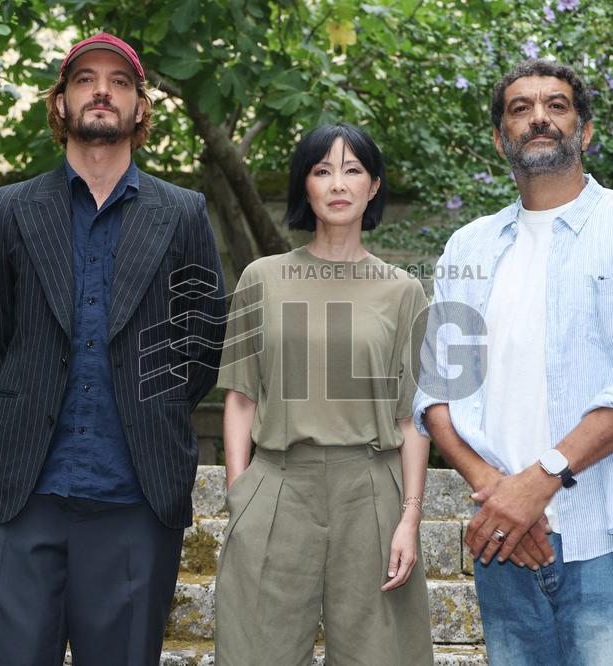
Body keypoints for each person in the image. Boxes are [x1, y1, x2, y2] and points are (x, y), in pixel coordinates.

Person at [414, 59, 613, 665]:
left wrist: (537, 482)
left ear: (585, 129)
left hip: (607, 537)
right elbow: (436, 395)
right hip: (504, 538)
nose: (539, 117)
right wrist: (501, 494)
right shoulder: (467, 247)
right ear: (501, 139)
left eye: (557, 104)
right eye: (520, 108)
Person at [0, 33, 225, 665]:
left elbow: (201, 344)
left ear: (140, 107)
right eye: (85, 79)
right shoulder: (10, 209)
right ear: (61, 103)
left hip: (135, 498)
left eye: (120, 81)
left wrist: (151, 412)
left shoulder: (184, 214)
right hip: (22, 497)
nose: (102, 90)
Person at [213, 123, 433, 665]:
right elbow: (240, 397)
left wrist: (409, 517)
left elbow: (412, 420)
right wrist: (240, 496)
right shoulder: (260, 279)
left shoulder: (405, 291)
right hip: (279, 485)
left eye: (353, 170)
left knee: (380, 655)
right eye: (322, 170)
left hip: (372, 492)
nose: (338, 183)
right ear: (304, 186)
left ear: (374, 186)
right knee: (254, 653)